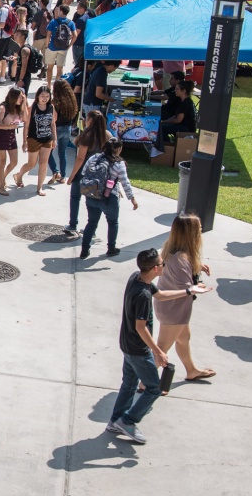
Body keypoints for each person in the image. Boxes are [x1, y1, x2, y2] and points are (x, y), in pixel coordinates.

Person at [108, 249, 210, 444]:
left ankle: (115, 421)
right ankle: (128, 421)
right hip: (138, 350)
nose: (164, 266)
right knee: (154, 388)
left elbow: (161, 295)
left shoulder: (136, 278)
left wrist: (189, 290)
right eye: (162, 264)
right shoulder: (143, 295)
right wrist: (159, 351)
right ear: (155, 268)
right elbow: (141, 327)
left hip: (126, 344)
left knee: (128, 384)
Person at [155, 214, 216, 384]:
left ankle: (191, 370)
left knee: (183, 338)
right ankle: (145, 383)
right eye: (199, 229)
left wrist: (197, 266)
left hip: (171, 307)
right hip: (174, 309)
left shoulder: (170, 249)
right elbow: (186, 287)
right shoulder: (181, 259)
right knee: (161, 348)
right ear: (190, 234)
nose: (201, 231)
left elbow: (178, 270)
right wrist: (199, 288)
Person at [79, 137, 137, 260]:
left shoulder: (94, 158)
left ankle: (84, 250)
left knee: (91, 222)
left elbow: (84, 172)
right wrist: (132, 198)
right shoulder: (119, 163)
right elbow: (125, 182)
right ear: (118, 149)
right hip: (109, 198)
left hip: (92, 195)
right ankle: (111, 248)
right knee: (112, 222)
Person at [15, 84, 55, 195]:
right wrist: (24, 141)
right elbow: (26, 125)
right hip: (34, 139)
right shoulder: (32, 108)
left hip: (47, 139)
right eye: (42, 95)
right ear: (37, 96)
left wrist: (55, 139)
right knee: (32, 164)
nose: (45, 98)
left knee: (43, 164)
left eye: (47, 96)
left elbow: (53, 124)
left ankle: (39, 188)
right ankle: (19, 175)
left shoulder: (51, 107)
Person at [0, 87, 27, 196]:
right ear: (14, 97)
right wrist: (7, 126)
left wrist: (24, 103)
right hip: (1, 135)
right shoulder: (3, 108)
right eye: (20, 97)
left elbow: (25, 118)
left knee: (14, 162)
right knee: (2, 161)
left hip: (11, 136)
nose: (21, 99)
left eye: (22, 97)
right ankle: (1, 185)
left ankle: (3, 178)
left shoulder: (18, 108)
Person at [153, 79, 197, 153]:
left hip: (186, 128)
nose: (175, 91)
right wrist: (164, 121)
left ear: (184, 91)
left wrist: (165, 122)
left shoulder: (186, 103)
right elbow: (175, 116)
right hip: (183, 125)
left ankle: (166, 147)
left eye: (177, 89)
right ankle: (167, 144)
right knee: (161, 125)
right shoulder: (183, 100)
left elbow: (178, 120)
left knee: (161, 128)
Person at [48, 79, 79, 182]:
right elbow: (75, 114)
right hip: (68, 128)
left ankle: (55, 171)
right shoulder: (72, 101)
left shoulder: (55, 102)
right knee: (62, 153)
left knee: (48, 152)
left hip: (57, 128)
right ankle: (63, 176)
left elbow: (52, 117)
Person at [44, 4, 76, 85]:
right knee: (60, 68)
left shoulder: (53, 21)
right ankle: (57, 85)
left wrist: (47, 45)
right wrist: (69, 46)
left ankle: (48, 85)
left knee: (50, 67)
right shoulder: (70, 23)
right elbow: (75, 35)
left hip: (52, 47)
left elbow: (48, 35)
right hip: (63, 48)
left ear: (61, 11)